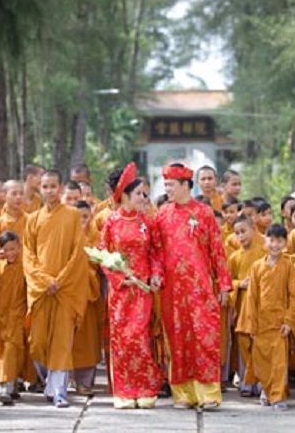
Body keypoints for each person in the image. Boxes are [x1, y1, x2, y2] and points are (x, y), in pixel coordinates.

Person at [153, 163, 232, 410]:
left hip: (200, 288)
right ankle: (183, 393)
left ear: (186, 185)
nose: (167, 190)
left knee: (204, 336)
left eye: (171, 185)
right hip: (171, 290)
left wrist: (224, 284)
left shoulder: (205, 213)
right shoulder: (162, 214)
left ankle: (208, 393)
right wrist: (156, 273)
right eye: (165, 185)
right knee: (176, 340)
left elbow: (217, 250)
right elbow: (155, 251)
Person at [22, 170, 89, 408]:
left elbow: (77, 252)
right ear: (39, 188)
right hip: (42, 291)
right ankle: (50, 381)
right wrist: (43, 281)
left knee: (61, 341)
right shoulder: (33, 219)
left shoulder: (71, 216)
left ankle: (59, 391)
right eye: (45, 186)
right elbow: (28, 256)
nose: (49, 190)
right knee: (38, 342)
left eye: (53, 186)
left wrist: (60, 280)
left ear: (60, 189)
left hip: (64, 290)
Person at [99, 163, 162, 409]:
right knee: (121, 339)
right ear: (125, 195)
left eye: (144, 194)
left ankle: (145, 387)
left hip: (142, 288)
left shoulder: (148, 222)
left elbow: (156, 252)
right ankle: (124, 391)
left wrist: (155, 275)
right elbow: (103, 254)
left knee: (139, 336)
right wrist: (117, 278)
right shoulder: (111, 223)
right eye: (139, 194)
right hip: (120, 290)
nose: (143, 198)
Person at [237, 224, 295, 410]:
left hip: (280, 324)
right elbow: (252, 297)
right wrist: (252, 324)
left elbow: (294, 296)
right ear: (265, 241)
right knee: (262, 362)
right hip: (261, 323)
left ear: (285, 243)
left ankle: (278, 396)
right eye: (271, 240)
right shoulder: (257, 267)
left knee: (279, 363)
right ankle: (267, 389)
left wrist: (289, 321)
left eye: (279, 241)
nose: (275, 245)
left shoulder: (289, 265)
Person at [228, 216, 267, 397]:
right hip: (242, 304)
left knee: (259, 342)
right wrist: (239, 284)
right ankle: (246, 380)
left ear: (253, 229)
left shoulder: (263, 253)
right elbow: (228, 282)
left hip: (259, 305)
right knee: (243, 342)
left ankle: (260, 380)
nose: (241, 236)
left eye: (244, 231)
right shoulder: (234, 257)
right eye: (237, 233)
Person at [0, 231, 27, 406]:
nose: (11, 253)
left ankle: (7, 386)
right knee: (4, 349)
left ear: (19, 246)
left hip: (19, 314)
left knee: (13, 348)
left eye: (13, 248)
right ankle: (11, 385)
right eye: (6, 250)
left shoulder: (25, 265)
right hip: (1, 315)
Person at [71, 200, 102, 396]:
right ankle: (68, 378)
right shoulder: (66, 235)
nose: (82, 220)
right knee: (69, 339)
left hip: (89, 293)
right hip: (70, 292)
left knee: (88, 340)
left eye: (85, 216)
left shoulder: (96, 235)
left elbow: (100, 260)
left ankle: (85, 382)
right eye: (78, 217)